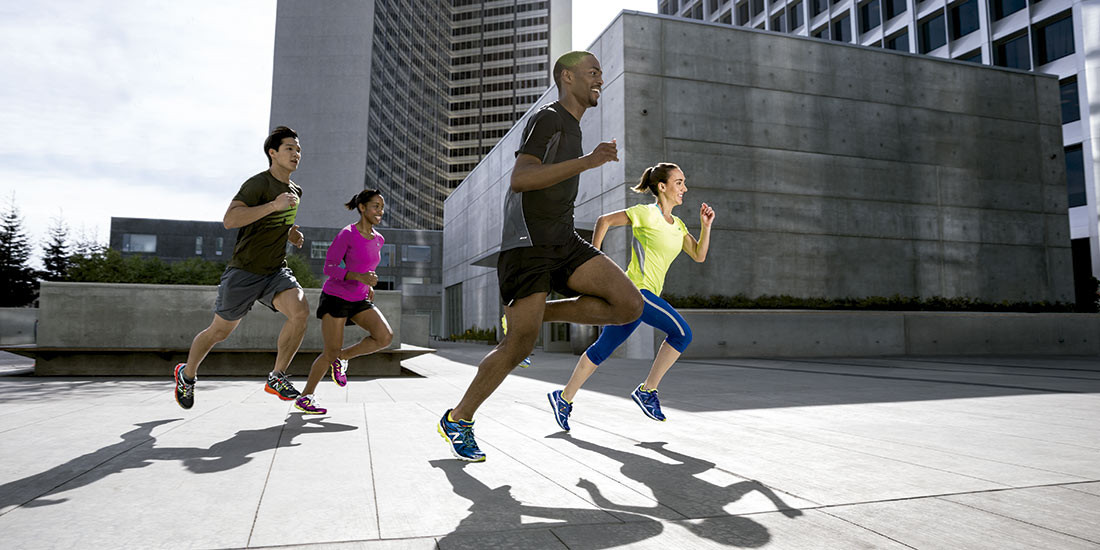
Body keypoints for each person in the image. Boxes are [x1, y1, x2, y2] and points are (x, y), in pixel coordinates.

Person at [438, 51, 644, 462]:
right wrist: (588, 161)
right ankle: (458, 419)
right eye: (592, 72)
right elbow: (521, 178)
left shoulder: (574, 127)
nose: (599, 79)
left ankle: (539, 315)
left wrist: (585, 160)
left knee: (628, 305)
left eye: (600, 73)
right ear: (567, 77)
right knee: (519, 344)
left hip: (563, 241)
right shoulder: (548, 118)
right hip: (527, 244)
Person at [548, 163, 714, 431]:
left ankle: (563, 398)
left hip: (640, 299)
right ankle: (647, 391)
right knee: (682, 334)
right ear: (662, 187)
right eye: (679, 182)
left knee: (602, 349)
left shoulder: (679, 226)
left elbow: (699, 255)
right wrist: (594, 262)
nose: (685, 188)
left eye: (684, 182)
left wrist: (706, 226)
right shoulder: (646, 213)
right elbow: (604, 221)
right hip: (636, 291)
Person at [173, 126, 310, 410]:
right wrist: (272, 205)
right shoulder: (258, 184)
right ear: (273, 153)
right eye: (289, 148)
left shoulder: (295, 191)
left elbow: (273, 225)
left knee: (300, 311)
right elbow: (231, 220)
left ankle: (277, 376)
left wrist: (290, 234)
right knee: (219, 332)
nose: (296, 154)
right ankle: (187, 375)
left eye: (298, 149)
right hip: (245, 271)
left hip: (275, 271)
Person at [294, 189, 393, 414]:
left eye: (382, 207)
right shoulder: (347, 234)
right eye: (375, 206)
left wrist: (368, 284)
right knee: (330, 351)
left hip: (359, 298)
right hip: (336, 297)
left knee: (384, 337)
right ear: (362, 208)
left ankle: (344, 357)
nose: (380, 211)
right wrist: (359, 277)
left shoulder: (379, 239)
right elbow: (329, 267)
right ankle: (305, 397)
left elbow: (365, 266)